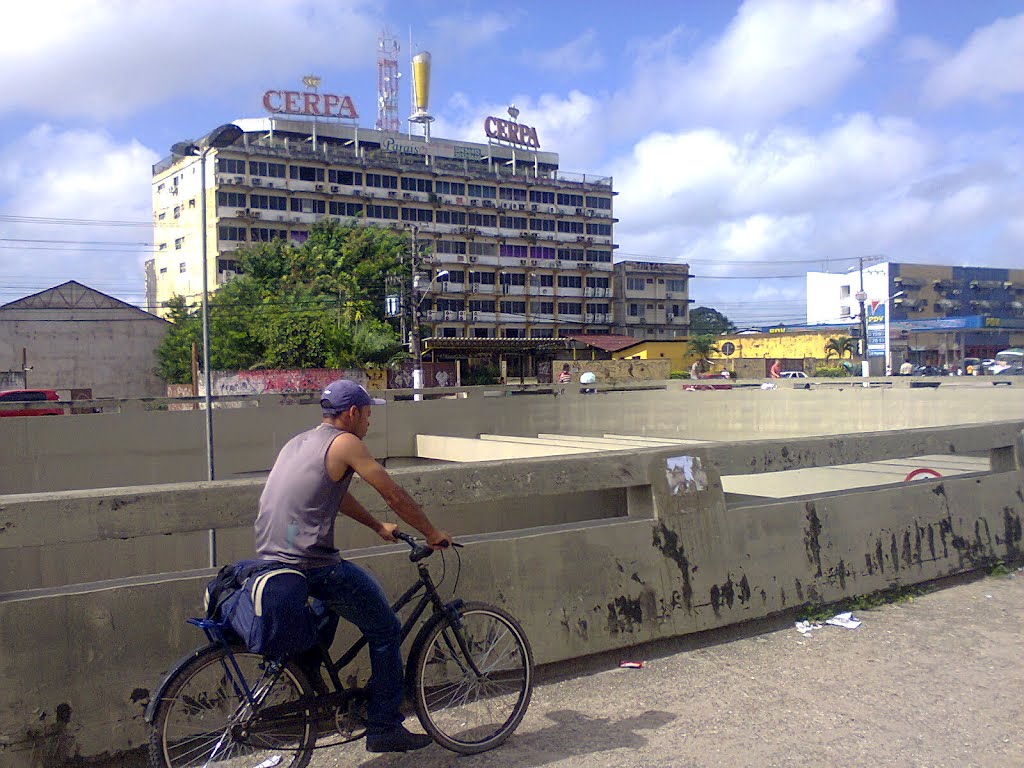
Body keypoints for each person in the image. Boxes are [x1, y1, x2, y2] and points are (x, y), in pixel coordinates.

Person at [254, 379, 452, 753]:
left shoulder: (299, 442)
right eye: (368, 413)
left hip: (272, 558)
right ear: (352, 413)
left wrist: (377, 526)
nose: (369, 421)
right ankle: (384, 726)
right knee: (386, 630)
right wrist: (430, 532)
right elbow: (391, 493)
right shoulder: (346, 443)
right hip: (311, 563)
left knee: (332, 604)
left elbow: (335, 496)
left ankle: (308, 669)